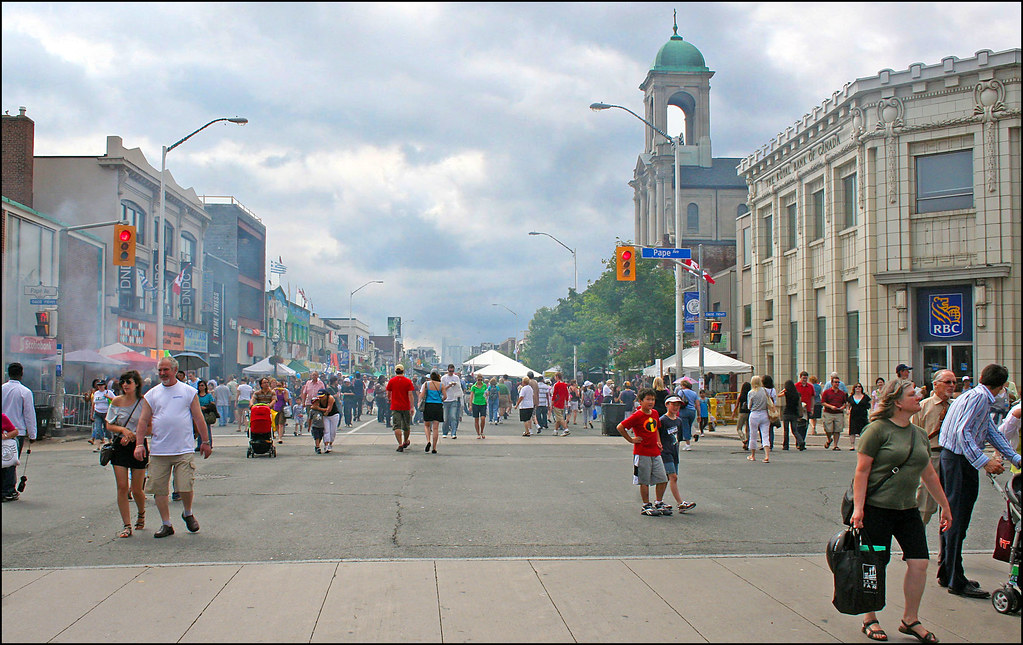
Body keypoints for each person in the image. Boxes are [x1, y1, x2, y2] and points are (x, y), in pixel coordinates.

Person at [850, 378, 951, 644]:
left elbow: (928, 474)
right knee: (874, 564)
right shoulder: (877, 430)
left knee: (919, 563)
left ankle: (910, 619)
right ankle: (869, 618)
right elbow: (862, 472)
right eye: (912, 394)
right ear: (897, 402)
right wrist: (858, 509)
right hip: (876, 510)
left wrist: (945, 506)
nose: (919, 396)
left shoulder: (918, 434)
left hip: (908, 510)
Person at [937, 363, 1021, 598]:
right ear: (1003, 385)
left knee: (953, 517)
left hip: (954, 459)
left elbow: (989, 431)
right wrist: (984, 461)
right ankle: (955, 578)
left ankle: (949, 572)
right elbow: (964, 433)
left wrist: (1014, 456)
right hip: (958, 461)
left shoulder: (973, 395)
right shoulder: (979, 399)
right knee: (957, 518)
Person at [133, 357, 213, 538]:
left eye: (166, 370)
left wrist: (205, 442)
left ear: (175, 370)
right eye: (160, 370)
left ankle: (187, 512)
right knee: (159, 489)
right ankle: (166, 524)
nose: (162, 373)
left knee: (185, 486)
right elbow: (143, 420)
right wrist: (139, 444)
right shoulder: (152, 394)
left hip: (183, 449)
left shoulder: (187, 391)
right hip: (159, 450)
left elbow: (198, 418)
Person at [105, 370, 148, 537]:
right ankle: (127, 525)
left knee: (137, 489)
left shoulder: (144, 402)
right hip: (120, 446)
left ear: (136, 383)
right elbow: (109, 425)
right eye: (123, 382)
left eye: (128, 382)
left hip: (138, 445)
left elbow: (150, 427)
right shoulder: (116, 401)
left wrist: (134, 436)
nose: (125, 385)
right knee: (122, 487)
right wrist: (123, 430)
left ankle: (141, 513)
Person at [911, 369, 955, 526]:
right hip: (931, 457)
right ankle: (915, 545)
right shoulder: (922, 407)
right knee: (925, 506)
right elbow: (912, 436)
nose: (952, 386)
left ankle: (946, 550)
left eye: (954, 383)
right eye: (947, 382)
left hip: (952, 458)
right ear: (935, 384)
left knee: (951, 507)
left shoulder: (956, 407)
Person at [617, 388, 668, 516]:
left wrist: (658, 441)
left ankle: (659, 502)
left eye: (653, 399)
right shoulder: (637, 415)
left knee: (662, 478)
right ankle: (646, 504)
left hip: (655, 451)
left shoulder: (655, 413)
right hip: (642, 452)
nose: (651, 402)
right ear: (641, 401)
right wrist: (631, 439)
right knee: (644, 480)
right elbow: (620, 427)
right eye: (648, 399)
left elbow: (655, 428)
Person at [2, 363, 37, 502]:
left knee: (3, 459)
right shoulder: (25, 392)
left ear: (8, 373)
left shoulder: (2, 389)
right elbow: (29, 414)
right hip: (17, 432)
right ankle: (9, 490)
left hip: (3, 430)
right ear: (21, 374)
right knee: (11, 461)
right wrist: (33, 434)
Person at [659, 395, 698, 515]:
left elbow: (678, 438)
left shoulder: (679, 421)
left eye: (678, 405)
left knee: (667, 479)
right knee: (673, 477)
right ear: (667, 405)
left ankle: (658, 501)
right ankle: (680, 502)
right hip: (665, 452)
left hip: (674, 451)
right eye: (673, 404)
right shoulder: (662, 421)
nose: (676, 407)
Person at [387, 365, 416, 452]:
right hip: (406, 406)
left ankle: (400, 444)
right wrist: (412, 406)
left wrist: (389, 399)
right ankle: (405, 441)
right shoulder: (408, 381)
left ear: (395, 371)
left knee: (397, 426)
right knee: (406, 426)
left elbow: (388, 392)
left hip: (395, 406)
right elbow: (410, 394)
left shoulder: (391, 381)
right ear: (403, 371)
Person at [746, 376, 772, 463]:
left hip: (754, 414)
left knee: (753, 435)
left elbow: (749, 406)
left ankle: (753, 455)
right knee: (765, 435)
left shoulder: (751, 393)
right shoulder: (765, 391)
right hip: (764, 414)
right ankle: (767, 455)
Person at [821, 374, 849, 450]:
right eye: (835, 382)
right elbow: (823, 402)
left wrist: (843, 407)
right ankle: (829, 439)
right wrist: (830, 406)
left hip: (838, 413)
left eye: (838, 382)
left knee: (837, 430)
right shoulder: (827, 392)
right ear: (832, 383)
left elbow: (846, 402)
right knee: (828, 429)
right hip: (828, 412)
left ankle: (835, 445)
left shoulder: (842, 393)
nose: (837, 384)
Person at [419, 371, 445, 453]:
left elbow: (421, 395)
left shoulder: (426, 384)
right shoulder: (441, 385)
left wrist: (419, 401)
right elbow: (445, 396)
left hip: (428, 405)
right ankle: (434, 447)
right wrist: (441, 400)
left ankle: (428, 441)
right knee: (435, 428)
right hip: (438, 406)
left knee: (427, 425)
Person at [309, 388, 339, 454]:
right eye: (319, 397)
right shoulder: (318, 400)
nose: (321, 398)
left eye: (322, 397)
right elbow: (313, 406)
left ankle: (330, 443)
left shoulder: (330, 398)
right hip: (325, 417)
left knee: (333, 431)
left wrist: (319, 409)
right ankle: (326, 445)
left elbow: (329, 409)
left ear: (326, 395)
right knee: (326, 430)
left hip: (334, 415)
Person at [779, 379, 806, 451]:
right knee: (795, 430)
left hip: (787, 412)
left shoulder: (787, 393)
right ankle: (801, 441)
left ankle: (786, 445)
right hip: (794, 413)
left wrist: (784, 390)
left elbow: (779, 395)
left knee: (786, 430)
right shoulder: (797, 394)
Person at [91, 378, 115, 449]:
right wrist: (91, 413)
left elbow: (115, 400)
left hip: (106, 413)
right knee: (98, 429)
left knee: (107, 428)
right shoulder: (96, 393)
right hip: (98, 412)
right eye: (99, 385)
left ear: (105, 385)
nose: (100, 387)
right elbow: (93, 403)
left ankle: (110, 442)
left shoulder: (109, 392)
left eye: (101, 385)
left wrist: (108, 397)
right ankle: (98, 446)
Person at [847, 383, 871, 451]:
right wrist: (848, 410)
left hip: (862, 415)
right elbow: (848, 405)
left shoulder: (865, 397)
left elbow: (869, 404)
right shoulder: (851, 397)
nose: (858, 388)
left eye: (859, 387)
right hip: (854, 415)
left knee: (863, 430)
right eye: (856, 387)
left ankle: (863, 445)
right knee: (852, 430)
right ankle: (852, 445)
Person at [441, 364, 462, 439]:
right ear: (448, 370)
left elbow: (459, 387)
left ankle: (453, 433)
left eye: (452, 371)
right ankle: (445, 432)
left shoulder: (456, 377)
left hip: (454, 399)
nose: (451, 372)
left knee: (453, 416)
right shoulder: (444, 378)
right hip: (446, 399)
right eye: (450, 371)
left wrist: (455, 384)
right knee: (446, 418)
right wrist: (449, 386)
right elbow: (442, 389)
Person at [678, 380, 698, 450]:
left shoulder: (681, 392)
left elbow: (678, 401)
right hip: (692, 411)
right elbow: (697, 404)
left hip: (684, 411)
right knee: (689, 426)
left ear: (683, 386)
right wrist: (699, 414)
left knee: (685, 427)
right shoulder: (694, 393)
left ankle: (687, 444)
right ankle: (688, 439)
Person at [468, 373, 489, 439]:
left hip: (483, 403)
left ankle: (482, 431)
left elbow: (487, 393)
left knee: (483, 418)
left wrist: (487, 395)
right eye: (478, 380)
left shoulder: (484, 385)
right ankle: (478, 433)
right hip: (475, 403)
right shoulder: (474, 387)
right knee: (476, 419)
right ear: (476, 380)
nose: (479, 381)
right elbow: (471, 396)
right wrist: (470, 405)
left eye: (480, 380)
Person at [550, 372, 570, 437]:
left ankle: (566, 429)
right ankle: (555, 430)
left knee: (560, 417)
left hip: (557, 403)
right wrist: (566, 402)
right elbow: (567, 394)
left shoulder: (556, 385)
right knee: (558, 417)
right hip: (562, 403)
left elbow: (554, 395)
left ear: (557, 377)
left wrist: (552, 404)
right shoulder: (565, 385)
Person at [736, 381, 752, 450]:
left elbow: (737, 405)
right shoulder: (750, 395)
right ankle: (747, 443)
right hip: (749, 413)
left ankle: (744, 439)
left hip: (742, 413)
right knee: (748, 429)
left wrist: (734, 413)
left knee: (739, 428)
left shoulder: (741, 395)